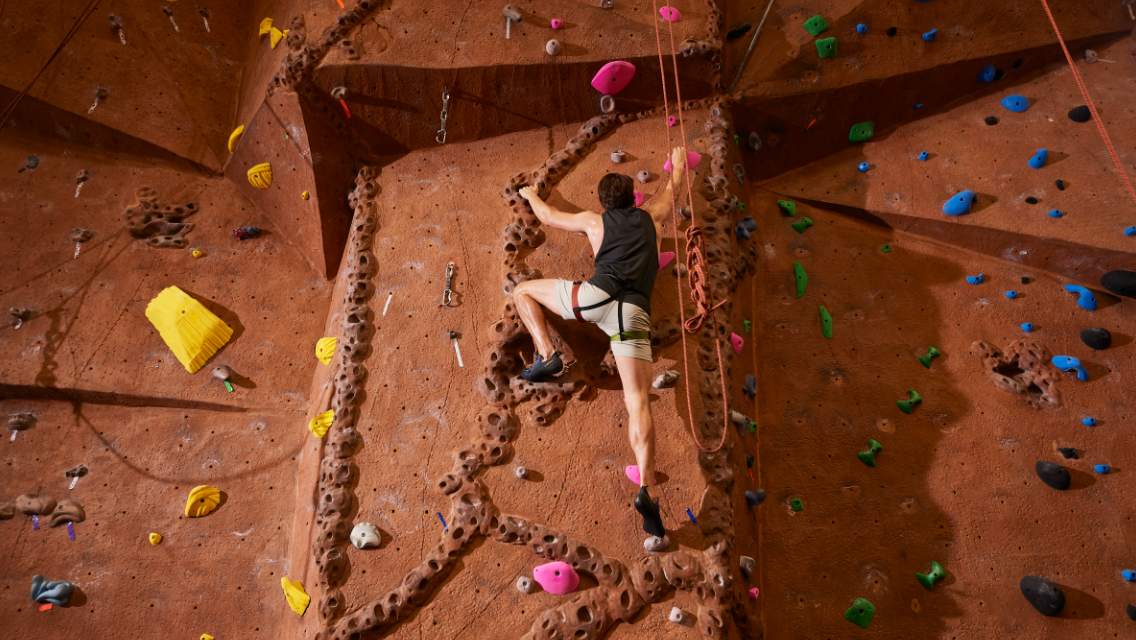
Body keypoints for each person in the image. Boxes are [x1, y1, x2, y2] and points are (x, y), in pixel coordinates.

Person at [512, 146, 688, 539]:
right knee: (637, 401)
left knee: (523, 291)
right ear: (632, 198)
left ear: (604, 202)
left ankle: (547, 354)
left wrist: (530, 194)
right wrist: (677, 164)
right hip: (632, 315)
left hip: (594, 299)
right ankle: (645, 487)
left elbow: (548, 216)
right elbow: (671, 191)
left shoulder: (594, 222)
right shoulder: (651, 217)